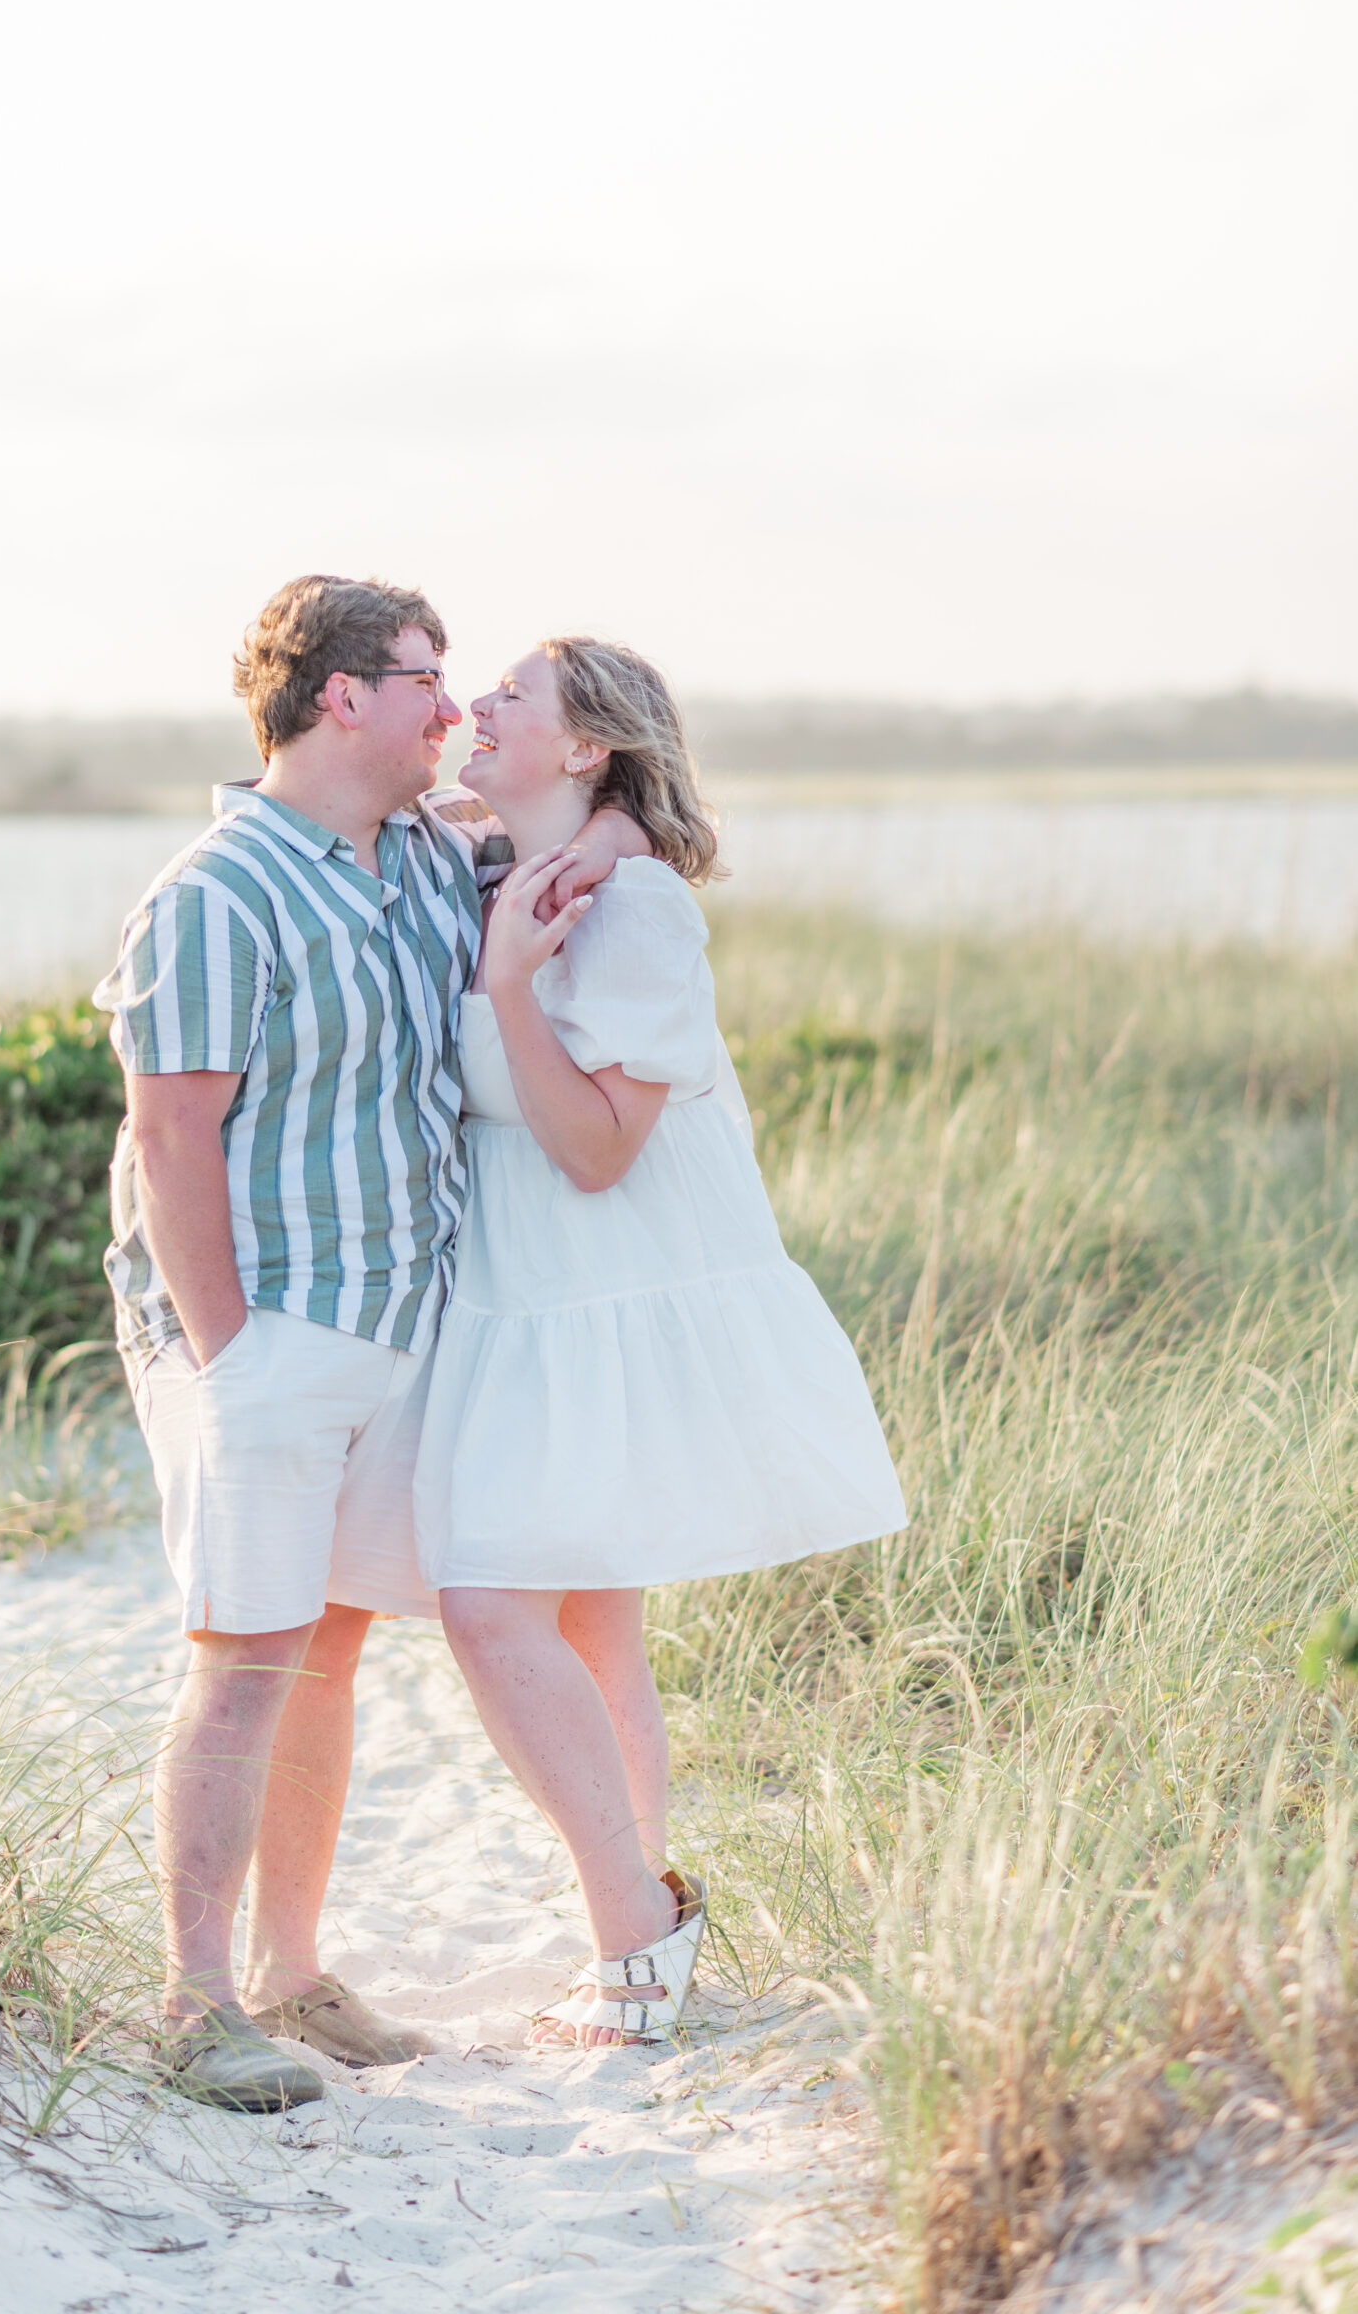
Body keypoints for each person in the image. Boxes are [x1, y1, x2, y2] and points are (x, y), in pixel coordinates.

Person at [92, 576, 645, 2111]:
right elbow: (168, 1133)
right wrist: (230, 1355)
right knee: (246, 1651)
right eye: (421, 675)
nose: (448, 705)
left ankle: (288, 1969)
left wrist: (603, 834)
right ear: (339, 697)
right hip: (263, 1330)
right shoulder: (217, 891)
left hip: (395, 1322)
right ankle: (195, 2000)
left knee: (324, 1644)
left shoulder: (412, 856)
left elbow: (611, 828)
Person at [414, 637, 907, 2048]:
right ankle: (631, 1906)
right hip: (524, 1298)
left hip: (602, 1282)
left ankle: (635, 1915)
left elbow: (596, 1152)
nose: (479, 708)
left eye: (513, 695)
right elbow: (296, 806)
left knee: (489, 1603)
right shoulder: (493, 858)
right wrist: (571, 844)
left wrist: (511, 980)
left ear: (585, 748)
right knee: (585, 1613)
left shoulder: (629, 914)